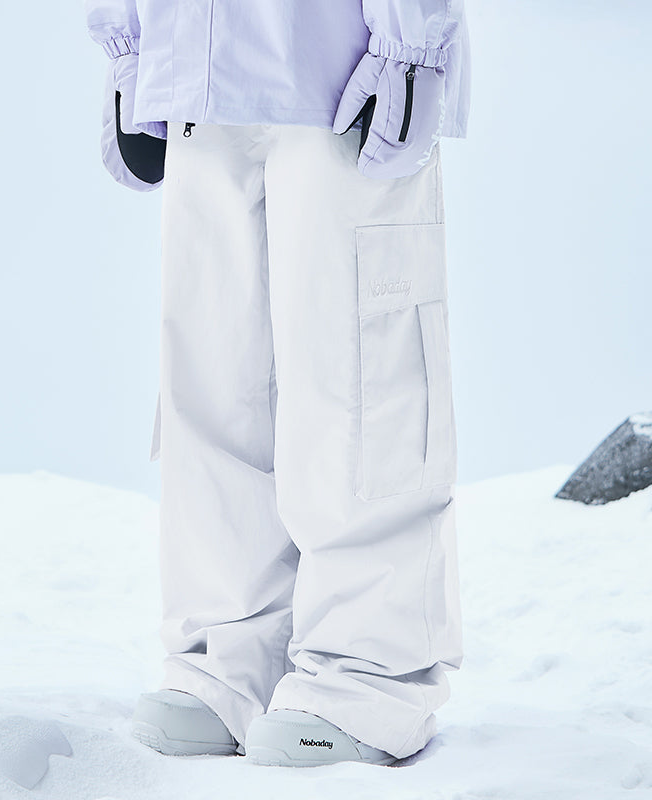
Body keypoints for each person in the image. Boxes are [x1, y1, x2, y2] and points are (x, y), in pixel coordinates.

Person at [85, 0, 470, 768]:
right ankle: (228, 655)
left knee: (357, 380)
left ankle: (367, 673)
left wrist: (411, 47)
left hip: (342, 72)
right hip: (192, 72)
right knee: (212, 382)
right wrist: (129, 48)